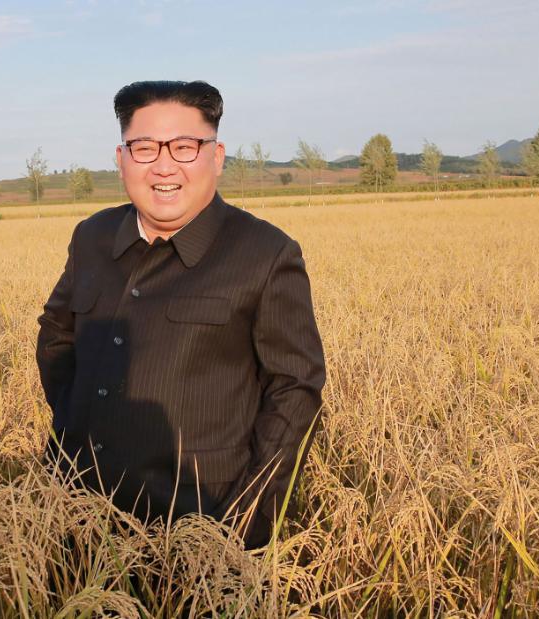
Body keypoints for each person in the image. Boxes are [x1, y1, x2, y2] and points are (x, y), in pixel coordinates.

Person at [36, 80, 326, 548]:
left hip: (198, 527)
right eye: (145, 148)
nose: (164, 165)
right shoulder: (91, 237)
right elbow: (56, 336)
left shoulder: (265, 254)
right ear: (121, 158)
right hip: (78, 512)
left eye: (185, 147)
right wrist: (76, 426)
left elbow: (295, 391)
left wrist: (243, 523)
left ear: (216, 155)